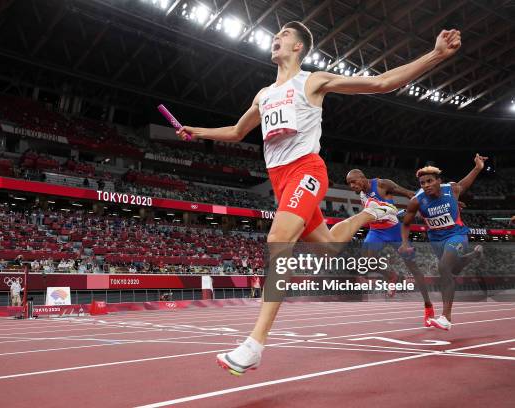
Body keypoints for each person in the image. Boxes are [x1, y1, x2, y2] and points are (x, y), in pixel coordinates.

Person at [176, 21, 461, 375]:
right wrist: (196, 130)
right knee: (326, 244)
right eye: (276, 34)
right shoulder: (263, 95)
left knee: (279, 239)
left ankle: (254, 345)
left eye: (283, 34)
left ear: (298, 47)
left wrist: (435, 54)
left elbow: (382, 82)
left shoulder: (312, 81)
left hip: (307, 170)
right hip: (280, 180)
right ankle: (369, 214)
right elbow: (237, 131)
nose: (276, 37)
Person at [400, 154, 486, 331]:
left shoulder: (452, 189)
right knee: (453, 269)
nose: (426, 186)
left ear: (439, 180)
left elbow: (466, 182)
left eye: (430, 181)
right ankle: (476, 253)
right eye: (422, 183)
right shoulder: (417, 200)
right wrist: (405, 243)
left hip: (456, 235)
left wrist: (477, 168)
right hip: (436, 239)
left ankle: (446, 317)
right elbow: (406, 223)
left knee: (444, 267)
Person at [346, 169, 434, 323]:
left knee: (413, 267)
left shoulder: (382, 184)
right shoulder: (360, 192)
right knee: (364, 263)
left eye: (353, 182)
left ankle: (428, 305)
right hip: (376, 232)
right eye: (349, 184)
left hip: (394, 231)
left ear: (362, 177)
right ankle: (391, 276)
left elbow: (409, 194)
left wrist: (429, 206)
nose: (352, 186)